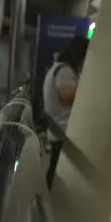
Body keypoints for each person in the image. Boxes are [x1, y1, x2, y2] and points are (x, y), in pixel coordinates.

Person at [43, 35, 90, 186]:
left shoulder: (58, 68)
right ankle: (48, 201)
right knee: (57, 172)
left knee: (57, 171)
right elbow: (66, 98)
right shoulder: (65, 71)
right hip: (63, 130)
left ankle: (49, 199)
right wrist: (88, 92)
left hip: (59, 129)